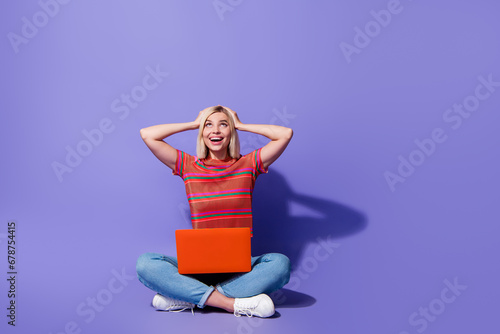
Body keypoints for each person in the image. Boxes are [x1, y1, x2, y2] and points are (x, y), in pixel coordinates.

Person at [136, 105, 293, 318]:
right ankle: (231, 304)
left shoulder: (249, 164)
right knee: (146, 264)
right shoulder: (188, 165)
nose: (215, 130)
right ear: (202, 133)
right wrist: (194, 123)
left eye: (223, 125)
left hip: (239, 272)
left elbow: (285, 134)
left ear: (231, 133)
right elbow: (148, 135)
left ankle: (190, 298)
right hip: (197, 270)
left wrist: (241, 124)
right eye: (208, 125)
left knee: (280, 264)